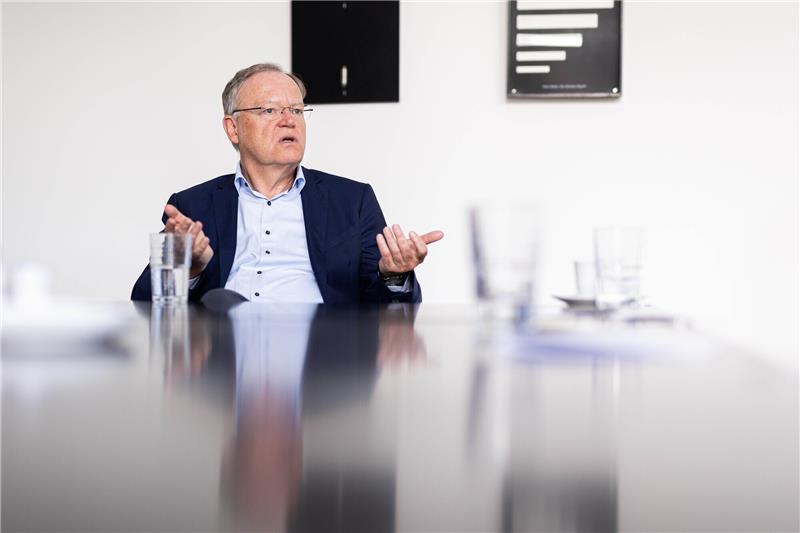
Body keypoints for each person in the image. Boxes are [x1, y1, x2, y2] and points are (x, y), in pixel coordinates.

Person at [131, 63, 442, 303]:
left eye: (296, 109)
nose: (289, 119)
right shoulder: (192, 206)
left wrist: (394, 276)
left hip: (322, 365)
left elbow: (392, 311)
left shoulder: (352, 200)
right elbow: (143, 304)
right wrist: (187, 268)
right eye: (269, 110)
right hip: (224, 364)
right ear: (233, 128)